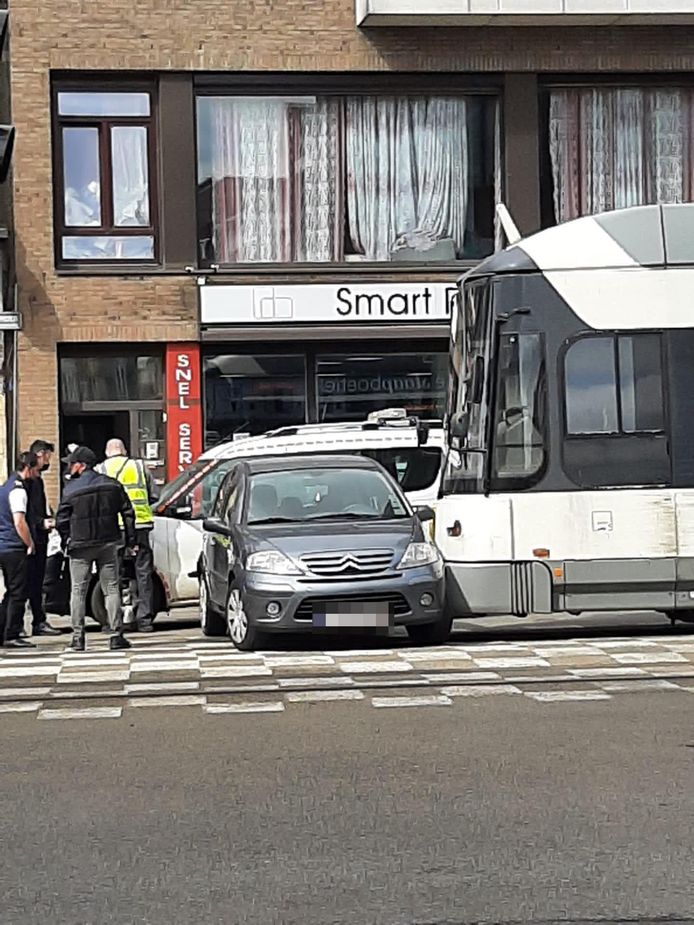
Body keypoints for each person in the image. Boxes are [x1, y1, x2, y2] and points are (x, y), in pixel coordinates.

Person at [56, 446, 137, 652]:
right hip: (108, 542)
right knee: (111, 589)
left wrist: (67, 539)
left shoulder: (71, 490)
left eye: (72, 463)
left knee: (78, 591)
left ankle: (78, 637)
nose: (69, 466)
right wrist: (130, 539)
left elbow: (61, 520)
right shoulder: (112, 485)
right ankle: (116, 635)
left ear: (81, 466)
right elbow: (128, 512)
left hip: (80, 545)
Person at [97, 438, 158, 632]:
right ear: (124, 451)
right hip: (140, 525)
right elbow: (154, 495)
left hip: (114, 528)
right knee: (143, 572)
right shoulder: (140, 467)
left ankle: (113, 621)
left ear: (107, 452)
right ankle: (145, 620)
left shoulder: (101, 469)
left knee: (112, 574)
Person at [0, 452, 42, 648]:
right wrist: (30, 543)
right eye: (36, 469)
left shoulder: (4, 488)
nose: (37, 473)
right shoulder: (18, 490)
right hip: (14, 546)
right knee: (18, 592)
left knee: (10, 591)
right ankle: (12, 633)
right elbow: (19, 521)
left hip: (3, 545)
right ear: (29, 468)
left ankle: (3, 630)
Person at [25, 439, 61, 637]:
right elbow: (27, 511)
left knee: (37, 581)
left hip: (40, 536)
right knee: (29, 582)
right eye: (47, 455)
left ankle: (38, 620)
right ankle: (33, 621)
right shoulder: (30, 480)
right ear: (39, 455)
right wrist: (41, 523)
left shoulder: (37, 479)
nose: (49, 460)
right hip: (33, 537)